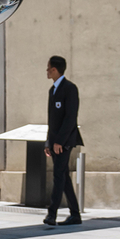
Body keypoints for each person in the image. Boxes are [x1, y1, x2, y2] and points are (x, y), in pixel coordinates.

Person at [45, 56, 84, 226]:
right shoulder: (52, 90)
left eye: (48, 68)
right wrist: (48, 142)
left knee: (58, 176)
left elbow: (70, 118)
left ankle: (51, 214)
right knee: (64, 177)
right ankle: (75, 214)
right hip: (55, 142)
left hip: (64, 142)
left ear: (54, 69)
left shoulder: (69, 88)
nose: (47, 71)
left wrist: (60, 141)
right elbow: (51, 120)